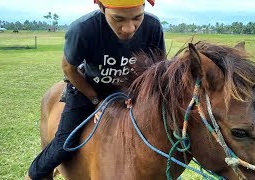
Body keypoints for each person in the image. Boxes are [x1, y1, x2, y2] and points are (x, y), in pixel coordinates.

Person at [25, 0, 165, 179]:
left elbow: (157, 69)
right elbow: (69, 68)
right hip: (87, 88)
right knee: (64, 143)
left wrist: (135, 94)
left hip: (127, 91)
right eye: (118, 19)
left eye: (138, 17)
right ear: (101, 8)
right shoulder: (83, 29)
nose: (129, 28)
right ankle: (32, 175)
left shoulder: (153, 27)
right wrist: (95, 100)